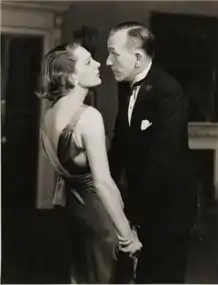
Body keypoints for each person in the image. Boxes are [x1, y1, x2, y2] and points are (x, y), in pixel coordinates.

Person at [37, 41, 142, 284]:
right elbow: (103, 183)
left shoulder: (49, 114)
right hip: (99, 215)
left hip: (75, 212)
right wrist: (127, 237)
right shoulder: (89, 117)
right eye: (88, 62)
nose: (98, 64)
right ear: (71, 78)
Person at [107, 21, 197, 284]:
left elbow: (162, 161)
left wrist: (133, 220)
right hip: (142, 203)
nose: (107, 61)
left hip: (168, 210)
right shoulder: (125, 84)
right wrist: (105, 188)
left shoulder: (169, 91)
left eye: (113, 53)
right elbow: (121, 142)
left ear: (137, 57)